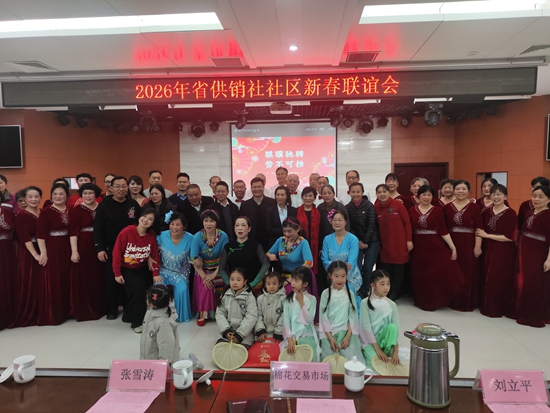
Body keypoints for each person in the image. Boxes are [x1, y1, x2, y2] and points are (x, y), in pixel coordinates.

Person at [409, 185, 465, 311]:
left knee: (432, 274)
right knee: (418, 273)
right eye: (424, 194)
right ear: (419, 196)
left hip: (434, 247)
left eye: (429, 195)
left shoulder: (438, 211)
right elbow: (408, 229)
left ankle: (433, 301)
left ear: (433, 197)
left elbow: (443, 230)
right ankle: (420, 300)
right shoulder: (412, 210)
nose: (426, 197)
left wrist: (452, 247)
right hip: (417, 247)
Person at [94, 176, 141, 320]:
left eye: (123, 186)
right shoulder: (104, 205)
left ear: (127, 187)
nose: (121, 189)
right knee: (112, 279)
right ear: (111, 188)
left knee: (129, 279)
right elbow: (98, 228)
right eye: (117, 186)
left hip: (131, 250)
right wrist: (100, 248)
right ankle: (112, 309)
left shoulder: (132, 204)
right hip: (111, 249)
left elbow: (141, 223)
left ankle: (129, 307)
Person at [112, 208, 162, 332]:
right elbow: (116, 253)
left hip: (142, 267)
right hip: (126, 268)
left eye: (150, 219)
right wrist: (117, 273)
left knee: (146, 289)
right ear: (139, 216)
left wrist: (155, 273)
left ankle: (129, 315)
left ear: (153, 223)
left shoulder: (151, 235)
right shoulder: (126, 232)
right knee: (139, 288)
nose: (146, 220)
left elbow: (155, 255)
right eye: (144, 216)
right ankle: (137, 323)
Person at [475, 184, 517, 318]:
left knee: (497, 277)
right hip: (488, 248)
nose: (496, 197)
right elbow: (479, 230)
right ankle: (485, 304)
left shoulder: (511, 213)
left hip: (503, 250)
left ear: (505, 196)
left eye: (499, 194)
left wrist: (487, 236)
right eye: (493, 194)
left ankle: (497, 307)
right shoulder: (486, 212)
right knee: (485, 275)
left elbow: (510, 237)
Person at [69, 183, 106, 321]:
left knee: (100, 276)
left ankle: (101, 307)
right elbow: (73, 233)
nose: (88, 196)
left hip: (101, 245)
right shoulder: (76, 211)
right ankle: (86, 309)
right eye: (85, 193)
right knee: (85, 277)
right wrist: (74, 251)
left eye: (90, 193)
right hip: (84, 246)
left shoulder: (102, 207)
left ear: (96, 194)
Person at [443, 180, 482, 311]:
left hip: (469, 244)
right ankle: (451, 300)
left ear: (469, 191)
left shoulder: (475, 208)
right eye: (458, 188)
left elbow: (478, 228)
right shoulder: (447, 208)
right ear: (454, 191)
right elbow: (443, 229)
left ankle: (466, 301)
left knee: (467, 272)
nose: (460, 191)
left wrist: (477, 246)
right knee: (452, 272)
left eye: (464, 189)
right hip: (451, 243)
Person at [36, 182, 71, 326]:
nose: (58, 196)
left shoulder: (70, 210)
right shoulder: (46, 212)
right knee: (54, 280)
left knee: (67, 278)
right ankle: (55, 314)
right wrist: (43, 252)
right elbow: (40, 235)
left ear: (67, 196)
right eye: (55, 194)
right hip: (52, 248)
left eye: (61, 194)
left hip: (67, 247)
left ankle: (68, 310)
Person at [515, 185, 550, 328]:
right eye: (534, 196)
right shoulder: (529, 212)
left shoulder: (548, 215)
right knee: (525, 283)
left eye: (541, 196)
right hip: (525, 252)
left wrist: (549, 259)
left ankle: (535, 316)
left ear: (549, 199)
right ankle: (524, 313)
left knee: (536, 283)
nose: (537, 199)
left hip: (540, 253)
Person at [319, 261, 365, 363]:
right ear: (330, 275)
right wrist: (330, 338)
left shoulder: (350, 294)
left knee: (351, 358)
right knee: (329, 360)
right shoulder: (325, 294)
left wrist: (347, 337)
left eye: (343, 276)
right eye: (336, 276)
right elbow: (323, 317)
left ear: (346, 276)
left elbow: (353, 317)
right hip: (329, 332)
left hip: (346, 331)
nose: (340, 279)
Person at [373, 184, 412, 301]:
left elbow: (407, 222)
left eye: (384, 191)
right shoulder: (376, 208)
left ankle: (395, 291)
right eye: (379, 192)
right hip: (385, 244)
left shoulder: (398, 205)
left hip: (399, 242)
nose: (382, 194)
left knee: (399, 269)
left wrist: (409, 240)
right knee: (386, 269)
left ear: (389, 192)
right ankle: (386, 291)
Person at [190, 210, 229, 326]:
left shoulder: (223, 236)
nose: (208, 224)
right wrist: (205, 277)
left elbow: (224, 258)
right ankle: (203, 313)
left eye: (212, 221)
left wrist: (213, 275)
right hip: (202, 269)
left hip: (219, 267)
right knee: (206, 287)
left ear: (216, 222)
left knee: (218, 284)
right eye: (206, 221)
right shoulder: (197, 237)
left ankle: (220, 312)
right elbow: (193, 259)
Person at [360, 270, 401, 372]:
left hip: (386, 342)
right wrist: (378, 350)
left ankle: (388, 352)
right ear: (373, 285)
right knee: (375, 365)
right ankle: (379, 353)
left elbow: (396, 329)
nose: (386, 287)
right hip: (370, 343)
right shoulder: (365, 303)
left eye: (388, 284)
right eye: (382, 284)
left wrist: (395, 352)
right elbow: (366, 328)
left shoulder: (392, 304)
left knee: (393, 327)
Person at [156, 212, 194, 322]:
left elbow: (194, 256)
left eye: (178, 225)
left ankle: (178, 316)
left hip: (180, 273)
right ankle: (158, 317)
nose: (174, 227)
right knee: (158, 288)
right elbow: (153, 252)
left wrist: (197, 260)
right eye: (172, 224)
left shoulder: (191, 239)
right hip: (163, 271)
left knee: (182, 290)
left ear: (184, 226)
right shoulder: (161, 236)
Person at [13, 186, 42, 327]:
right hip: (28, 252)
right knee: (31, 281)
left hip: (43, 250)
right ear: (24, 199)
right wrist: (36, 254)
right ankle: (31, 313)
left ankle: (44, 311)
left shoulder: (43, 212)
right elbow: (24, 237)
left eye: (36, 196)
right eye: (30, 197)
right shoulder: (20, 215)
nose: (33, 199)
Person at [218, 216, 270, 293]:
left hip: (252, 287)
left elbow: (266, 264)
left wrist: (254, 283)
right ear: (234, 228)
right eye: (237, 225)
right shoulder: (228, 246)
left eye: (243, 225)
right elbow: (221, 268)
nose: (240, 228)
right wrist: (229, 283)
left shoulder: (256, 245)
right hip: (234, 288)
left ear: (249, 229)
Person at [281, 267, 320, 361]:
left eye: (296, 280)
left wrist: (301, 302)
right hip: (291, 337)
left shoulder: (312, 299)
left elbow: (309, 320)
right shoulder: (288, 300)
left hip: (307, 335)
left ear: (305, 284)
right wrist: (289, 340)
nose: (293, 283)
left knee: (311, 358)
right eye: (292, 279)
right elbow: (286, 321)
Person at [321, 211, 362, 297]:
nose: (337, 223)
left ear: (345, 222)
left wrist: (340, 272)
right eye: (334, 220)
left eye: (340, 220)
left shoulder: (353, 239)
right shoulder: (327, 239)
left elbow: (351, 263)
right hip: (333, 276)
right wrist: (336, 272)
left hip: (349, 277)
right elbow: (324, 260)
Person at [346, 182, 379, 286]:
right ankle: (357, 288)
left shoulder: (369, 206)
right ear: (349, 193)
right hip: (356, 242)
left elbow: (372, 224)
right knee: (357, 267)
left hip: (372, 240)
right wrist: (358, 241)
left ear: (362, 192)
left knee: (368, 268)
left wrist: (365, 241)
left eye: (358, 192)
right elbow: (349, 227)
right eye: (353, 192)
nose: (356, 194)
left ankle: (366, 289)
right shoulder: (347, 208)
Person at [215, 268, 258, 348]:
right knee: (220, 350)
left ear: (245, 282)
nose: (235, 282)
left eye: (238, 280)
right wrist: (226, 331)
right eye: (232, 279)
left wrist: (240, 334)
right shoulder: (225, 295)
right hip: (228, 334)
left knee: (239, 352)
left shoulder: (250, 297)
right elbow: (220, 313)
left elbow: (252, 316)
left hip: (244, 335)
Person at [266, 218, 315, 289]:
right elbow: (268, 253)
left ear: (298, 229)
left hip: (299, 277)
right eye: (284, 231)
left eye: (289, 231)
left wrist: (292, 278)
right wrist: (270, 256)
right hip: (283, 276)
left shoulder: (303, 243)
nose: (286, 234)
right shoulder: (281, 240)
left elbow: (309, 263)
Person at [140, 284, 180, 365]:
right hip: (149, 360)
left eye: (147, 298)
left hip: (158, 365)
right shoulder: (151, 312)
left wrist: (163, 365)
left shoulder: (164, 322)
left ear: (153, 303)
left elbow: (166, 347)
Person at [240, 177, 276, 251]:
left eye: (259, 187)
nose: (257, 189)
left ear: (263, 187)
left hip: (269, 241)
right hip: (251, 240)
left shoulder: (272, 203)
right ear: (251, 188)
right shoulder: (245, 205)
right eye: (254, 187)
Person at [255, 272, 286, 342]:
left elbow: (285, 316)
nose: (271, 286)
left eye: (274, 284)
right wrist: (260, 330)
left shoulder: (284, 299)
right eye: (268, 284)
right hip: (263, 335)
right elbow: (258, 315)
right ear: (265, 285)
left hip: (279, 335)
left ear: (279, 284)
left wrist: (279, 332)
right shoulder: (260, 299)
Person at [296, 186, 321, 274]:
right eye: (305, 196)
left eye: (310, 196)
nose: (308, 198)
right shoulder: (296, 211)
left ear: (314, 198)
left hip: (315, 246)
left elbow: (321, 230)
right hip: (299, 244)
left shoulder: (318, 212)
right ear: (302, 197)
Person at [0, 203, 16, 330]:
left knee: (9, 281)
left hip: (9, 251)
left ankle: (10, 315)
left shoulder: (8, 212)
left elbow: (16, 235)